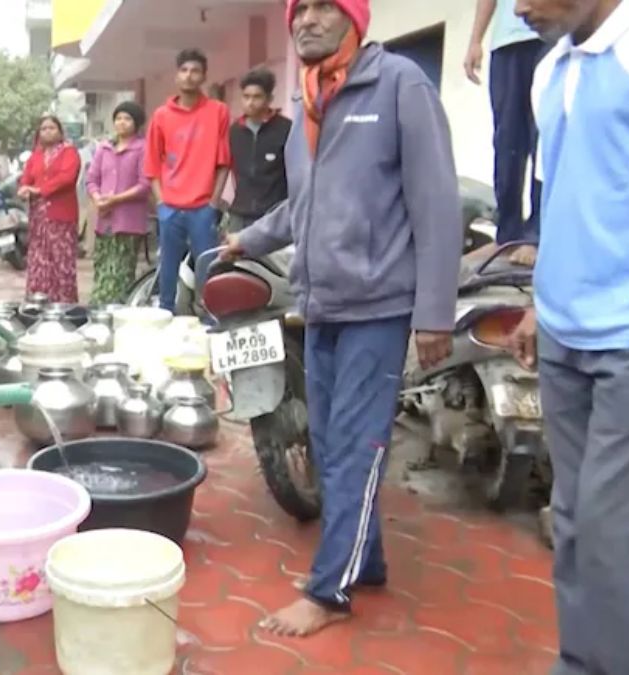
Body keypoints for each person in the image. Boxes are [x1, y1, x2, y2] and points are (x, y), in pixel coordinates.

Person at [222, 0, 462, 637]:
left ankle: (331, 591)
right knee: (330, 445)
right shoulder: (307, 102)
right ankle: (369, 558)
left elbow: (436, 202)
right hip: (320, 302)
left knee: (356, 446)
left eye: (326, 7)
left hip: (379, 305)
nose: (307, 19)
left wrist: (435, 312)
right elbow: (302, 205)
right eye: (299, 10)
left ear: (357, 18)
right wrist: (249, 239)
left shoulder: (398, 84)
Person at [507, 0, 629, 673]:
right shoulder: (548, 71)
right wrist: (535, 303)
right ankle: (581, 660)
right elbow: (562, 199)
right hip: (561, 331)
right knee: (575, 520)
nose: (520, 7)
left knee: (617, 533)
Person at [144, 48, 231, 313]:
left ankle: (208, 322)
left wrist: (213, 203)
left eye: (195, 71)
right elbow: (151, 165)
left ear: (204, 76)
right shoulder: (161, 116)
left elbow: (224, 162)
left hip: (203, 208)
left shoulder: (218, 111)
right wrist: (161, 204)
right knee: (168, 269)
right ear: (176, 76)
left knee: (208, 269)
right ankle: (166, 317)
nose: (189, 76)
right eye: (184, 70)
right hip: (170, 208)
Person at [464, 0, 546, 266]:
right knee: (507, 140)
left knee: (542, 136)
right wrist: (475, 40)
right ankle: (507, 234)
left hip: (547, 37)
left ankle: (536, 235)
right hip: (505, 44)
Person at [86, 101, 151, 305]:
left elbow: (145, 184)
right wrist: (97, 197)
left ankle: (113, 310)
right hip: (104, 221)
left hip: (128, 223)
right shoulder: (104, 148)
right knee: (102, 268)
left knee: (119, 273)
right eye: (118, 118)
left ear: (137, 123)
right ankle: (99, 312)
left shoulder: (143, 148)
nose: (122, 123)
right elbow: (91, 179)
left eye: (127, 119)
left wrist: (115, 199)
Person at [18, 115, 82, 303]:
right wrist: (23, 188)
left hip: (61, 215)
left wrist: (38, 190)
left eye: (52, 128)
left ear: (60, 132)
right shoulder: (35, 156)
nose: (47, 131)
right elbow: (26, 178)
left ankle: (64, 303)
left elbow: (66, 178)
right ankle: (39, 302)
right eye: (44, 128)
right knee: (39, 258)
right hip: (38, 217)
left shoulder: (69, 153)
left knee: (61, 260)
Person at [226, 68, 292, 233]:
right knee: (234, 258)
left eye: (257, 97)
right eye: (246, 97)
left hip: (275, 215)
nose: (250, 102)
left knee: (273, 260)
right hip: (240, 213)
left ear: (269, 99)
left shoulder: (286, 129)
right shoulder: (234, 131)